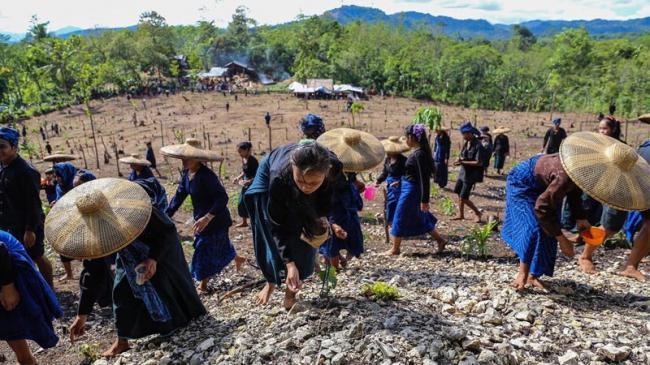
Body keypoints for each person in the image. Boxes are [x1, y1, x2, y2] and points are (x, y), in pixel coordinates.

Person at [47, 178, 206, 357]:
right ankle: (122, 341)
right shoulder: (92, 230)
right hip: (128, 255)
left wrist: (153, 259)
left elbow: (167, 231)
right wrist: (82, 313)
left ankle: (179, 322)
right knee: (121, 292)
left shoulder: (138, 206)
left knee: (166, 284)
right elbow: (94, 268)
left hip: (159, 246)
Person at [244, 142, 335, 309]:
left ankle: (290, 292)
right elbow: (277, 226)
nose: (305, 187)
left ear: (326, 174)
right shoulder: (278, 178)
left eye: (313, 183)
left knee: (307, 232)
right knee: (273, 238)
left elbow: (330, 201)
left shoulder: (333, 169)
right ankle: (271, 280)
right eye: (300, 180)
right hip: (269, 181)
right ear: (294, 168)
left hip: (299, 181)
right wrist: (290, 263)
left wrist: (331, 222)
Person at [165, 144, 240, 293]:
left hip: (216, 218)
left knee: (203, 249)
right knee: (219, 245)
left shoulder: (207, 176)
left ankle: (203, 285)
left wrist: (207, 217)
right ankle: (239, 258)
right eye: (183, 158)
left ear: (198, 159)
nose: (184, 161)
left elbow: (222, 198)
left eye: (188, 158)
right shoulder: (187, 175)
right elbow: (178, 197)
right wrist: (165, 216)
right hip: (201, 219)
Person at [575, 117, 629, 274]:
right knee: (591, 217)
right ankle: (585, 254)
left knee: (611, 224)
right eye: (599, 129)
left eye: (604, 129)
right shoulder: (595, 145)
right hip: (594, 185)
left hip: (615, 189)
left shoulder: (620, 147)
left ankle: (586, 251)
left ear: (612, 129)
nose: (601, 132)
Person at [0, 128, 54, 287]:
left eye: (2, 146)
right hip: (9, 223)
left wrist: (30, 230)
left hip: (28, 223)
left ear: (14, 147)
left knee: (37, 255)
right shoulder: (3, 167)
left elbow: (33, 204)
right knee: (16, 256)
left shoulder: (26, 171)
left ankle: (49, 289)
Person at [0, 230, 62, 365]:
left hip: (8, 266)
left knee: (13, 327)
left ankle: (26, 360)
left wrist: (8, 287)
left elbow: (1, 250)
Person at [384, 124, 447, 256]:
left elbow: (424, 179)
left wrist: (425, 200)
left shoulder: (419, 155)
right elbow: (413, 175)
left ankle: (395, 249)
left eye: (406, 137)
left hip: (412, 191)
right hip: (408, 187)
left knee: (399, 216)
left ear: (412, 137)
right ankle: (440, 240)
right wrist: (400, 182)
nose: (405, 140)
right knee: (420, 217)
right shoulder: (419, 152)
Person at [453, 122, 484, 223]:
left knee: (464, 197)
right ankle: (461, 214)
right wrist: (459, 160)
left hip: (471, 175)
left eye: (465, 134)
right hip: (463, 173)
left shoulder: (478, 146)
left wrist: (463, 162)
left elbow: (479, 162)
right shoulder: (467, 143)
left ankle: (477, 213)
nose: (463, 136)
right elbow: (463, 156)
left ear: (470, 133)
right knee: (458, 192)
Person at [53, 162, 78, 281]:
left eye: (60, 175)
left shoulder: (77, 185)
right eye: (56, 176)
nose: (57, 178)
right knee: (61, 245)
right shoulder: (59, 187)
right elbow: (60, 200)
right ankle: (69, 273)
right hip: (65, 220)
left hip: (79, 220)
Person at [375, 137, 408, 228]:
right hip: (390, 185)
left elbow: (407, 175)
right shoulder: (387, 160)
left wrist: (399, 182)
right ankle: (391, 222)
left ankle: (398, 223)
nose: (388, 153)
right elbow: (385, 172)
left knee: (397, 204)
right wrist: (379, 180)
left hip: (399, 185)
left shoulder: (403, 161)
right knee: (389, 203)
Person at [232, 142, 259, 228]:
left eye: (240, 151)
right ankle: (244, 222)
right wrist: (238, 178)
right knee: (241, 202)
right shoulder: (244, 159)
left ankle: (253, 222)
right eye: (238, 152)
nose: (239, 154)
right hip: (245, 183)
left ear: (246, 150)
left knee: (251, 203)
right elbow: (244, 171)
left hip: (252, 183)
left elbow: (258, 175)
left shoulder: (253, 161)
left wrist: (249, 181)